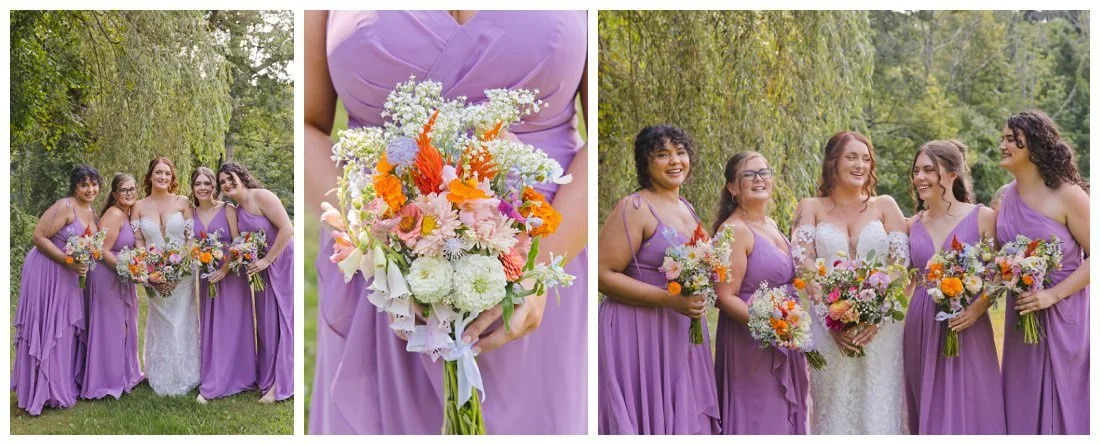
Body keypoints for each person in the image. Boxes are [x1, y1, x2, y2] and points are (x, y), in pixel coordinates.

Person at [305, 10, 588, 433]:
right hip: (383, 281)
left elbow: (608, 128)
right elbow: (307, 123)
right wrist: (374, 246)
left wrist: (535, 271)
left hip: (541, 276)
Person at [597, 125, 720, 434]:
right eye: (662, 154)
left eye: (680, 152)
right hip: (638, 330)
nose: (675, 161)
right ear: (645, 162)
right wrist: (669, 300)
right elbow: (602, 274)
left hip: (680, 329)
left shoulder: (687, 208)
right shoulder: (635, 207)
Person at [790, 131, 909, 434]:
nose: (860, 165)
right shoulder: (811, 207)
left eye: (866, 159)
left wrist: (878, 316)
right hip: (829, 327)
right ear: (833, 162)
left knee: (879, 407)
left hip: (880, 330)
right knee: (834, 409)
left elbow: (900, 265)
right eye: (851, 157)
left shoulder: (885, 206)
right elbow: (803, 265)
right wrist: (830, 318)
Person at [993, 110, 1089, 434]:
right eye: (1004, 138)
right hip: (1022, 316)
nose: (1003, 144)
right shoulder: (1005, 197)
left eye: (1011, 139)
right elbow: (997, 256)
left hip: (1064, 316)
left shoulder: (1068, 195)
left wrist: (1051, 294)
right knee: (1022, 401)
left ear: (1032, 146)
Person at [901, 140, 1005, 434]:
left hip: (967, 324)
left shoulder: (983, 216)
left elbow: (999, 275)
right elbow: (905, 282)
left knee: (972, 405)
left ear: (951, 175)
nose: (919, 177)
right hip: (921, 325)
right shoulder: (912, 224)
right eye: (916, 171)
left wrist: (977, 308)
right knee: (926, 408)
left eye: (928, 170)